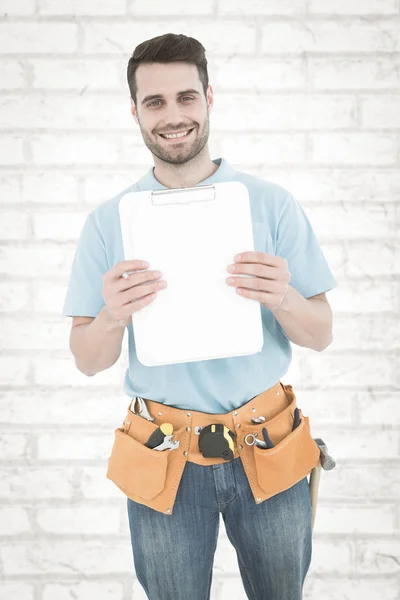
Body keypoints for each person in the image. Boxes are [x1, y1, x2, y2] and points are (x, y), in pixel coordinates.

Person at [63, 32, 337, 600]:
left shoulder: (271, 204)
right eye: (155, 102)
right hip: (162, 455)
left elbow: (321, 333)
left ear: (209, 98)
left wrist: (283, 296)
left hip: (269, 446)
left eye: (186, 97)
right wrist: (112, 317)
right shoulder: (107, 222)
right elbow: (88, 361)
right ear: (134, 111)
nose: (173, 116)